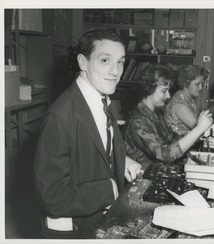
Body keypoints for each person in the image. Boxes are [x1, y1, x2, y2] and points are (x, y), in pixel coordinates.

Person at [33, 29, 141, 239]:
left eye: (120, 62)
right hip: (74, 228)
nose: (115, 71)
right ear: (83, 62)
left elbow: (93, 143)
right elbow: (52, 195)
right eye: (105, 60)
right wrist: (109, 189)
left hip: (97, 217)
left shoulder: (99, 98)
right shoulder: (59, 116)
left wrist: (121, 159)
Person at [123, 64, 213, 167]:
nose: (168, 96)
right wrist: (198, 129)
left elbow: (173, 139)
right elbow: (164, 155)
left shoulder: (156, 113)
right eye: (164, 91)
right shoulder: (137, 121)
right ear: (149, 89)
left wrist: (198, 132)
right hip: (142, 175)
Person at [164, 64, 209, 137]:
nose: (201, 88)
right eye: (197, 84)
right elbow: (201, 131)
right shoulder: (180, 106)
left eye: (202, 84)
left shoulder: (186, 98)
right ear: (186, 83)